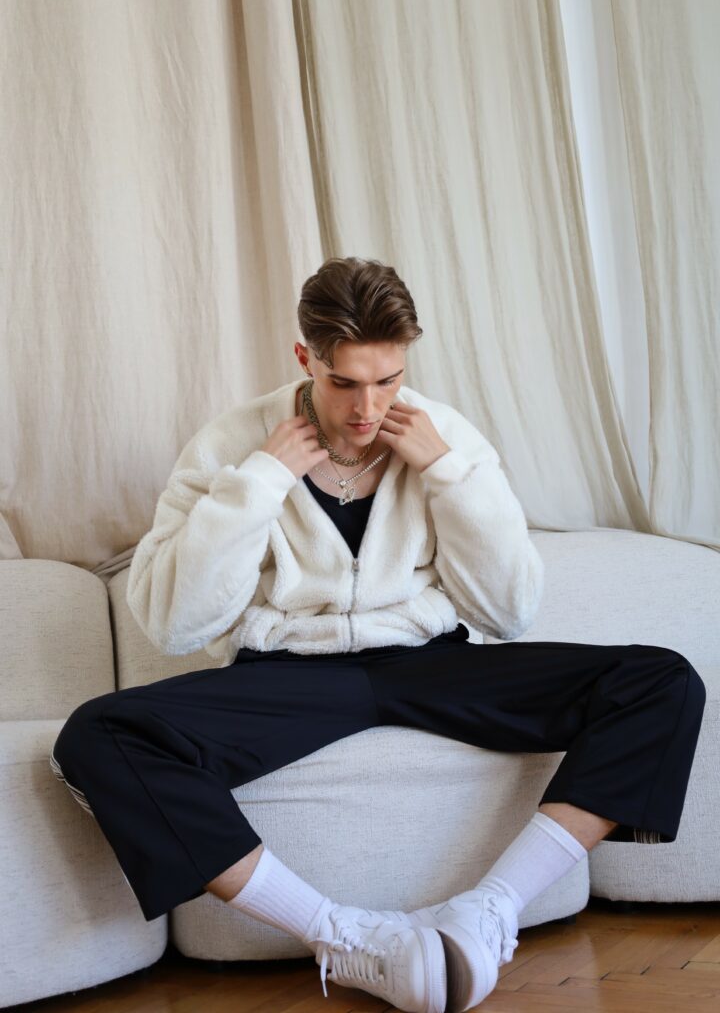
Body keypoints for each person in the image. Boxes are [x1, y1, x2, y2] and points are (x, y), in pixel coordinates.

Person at [50, 257, 706, 1013]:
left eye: (389, 379)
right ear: (305, 358)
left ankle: (490, 910)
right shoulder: (229, 444)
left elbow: (508, 612)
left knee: (660, 680)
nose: (368, 408)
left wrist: (449, 475)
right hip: (286, 672)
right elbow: (174, 624)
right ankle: (340, 935)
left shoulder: (444, 434)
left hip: (429, 662)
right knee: (99, 734)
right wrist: (260, 481)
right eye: (345, 383)